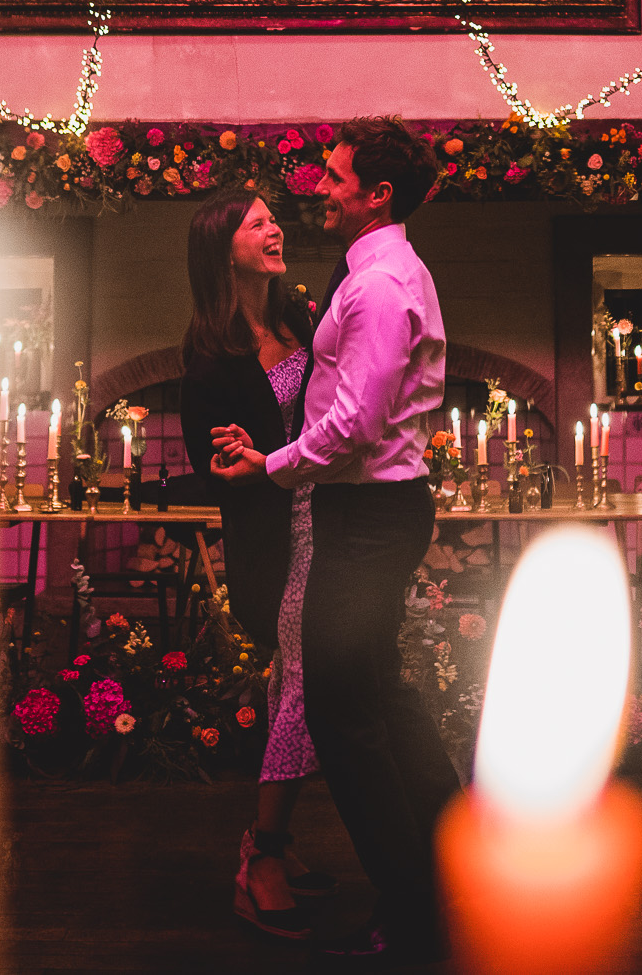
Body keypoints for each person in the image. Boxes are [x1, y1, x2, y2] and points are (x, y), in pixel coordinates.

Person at [212, 117, 459, 961]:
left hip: (365, 517)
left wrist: (271, 468)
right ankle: (446, 865)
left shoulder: (380, 286)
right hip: (367, 513)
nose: (320, 185)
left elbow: (354, 422)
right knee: (378, 696)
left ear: (376, 194)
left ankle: (413, 903)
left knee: (343, 714)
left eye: (335, 174)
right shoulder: (370, 274)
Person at [179, 192, 334, 939]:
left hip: (329, 519)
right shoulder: (209, 352)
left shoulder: (301, 317)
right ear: (224, 248)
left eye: (275, 217)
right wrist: (233, 451)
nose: (275, 228)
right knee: (301, 676)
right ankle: (261, 855)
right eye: (257, 222)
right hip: (275, 536)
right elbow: (208, 467)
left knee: (294, 679)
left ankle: (277, 836)